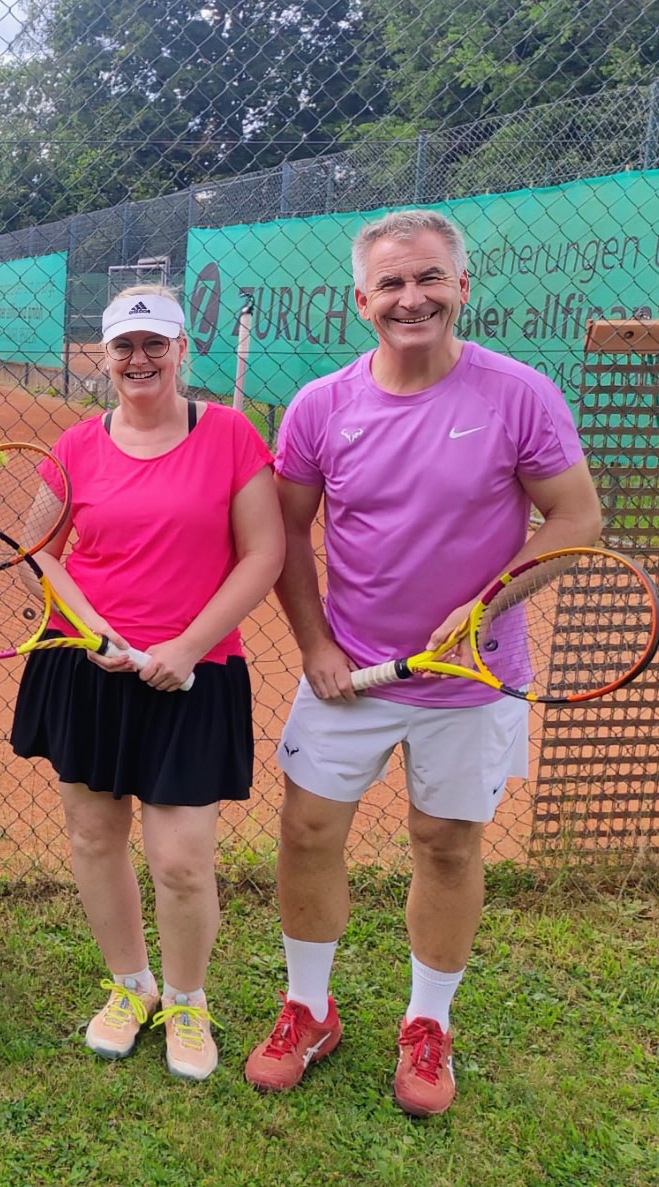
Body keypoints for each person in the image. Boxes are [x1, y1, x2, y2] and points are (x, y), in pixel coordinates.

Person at [244, 210, 601, 1116]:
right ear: (361, 300)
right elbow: (286, 528)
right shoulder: (321, 405)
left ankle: (428, 1023)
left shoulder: (520, 394)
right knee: (308, 833)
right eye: (394, 285)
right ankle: (309, 1008)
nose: (414, 298)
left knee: (445, 845)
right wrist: (316, 646)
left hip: (472, 681)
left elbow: (575, 518)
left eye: (431, 278)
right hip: (351, 674)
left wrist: (486, 609)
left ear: (462, 288)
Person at [9, 287, 283, 1081]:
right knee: (96, 837)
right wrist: (95, 630)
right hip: (86, 665)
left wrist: (187, 647)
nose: (139, 360)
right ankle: (132, 986)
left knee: (183, 859)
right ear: (104, 354)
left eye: (154, 344)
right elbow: (38, 546)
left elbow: (262, 553)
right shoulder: (77, 444)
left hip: (193, 676)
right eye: (125, 345)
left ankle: (188, 1000)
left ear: (180, 349)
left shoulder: (229, 434)